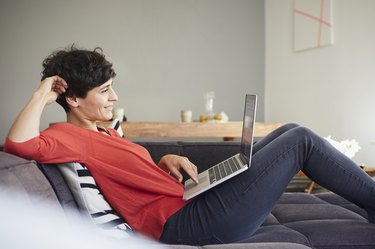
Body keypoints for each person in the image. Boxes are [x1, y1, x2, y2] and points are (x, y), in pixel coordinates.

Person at [4, 46, 375, 245]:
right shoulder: (65, 137)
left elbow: (126, 174)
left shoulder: (104, 132)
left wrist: (163, 159)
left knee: (290, 129)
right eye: (104, 92)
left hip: (190, 201)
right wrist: (41, 92)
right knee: (301, 140)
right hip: (190, 224)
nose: (115, 97)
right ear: (72, 99)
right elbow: (17, 144)